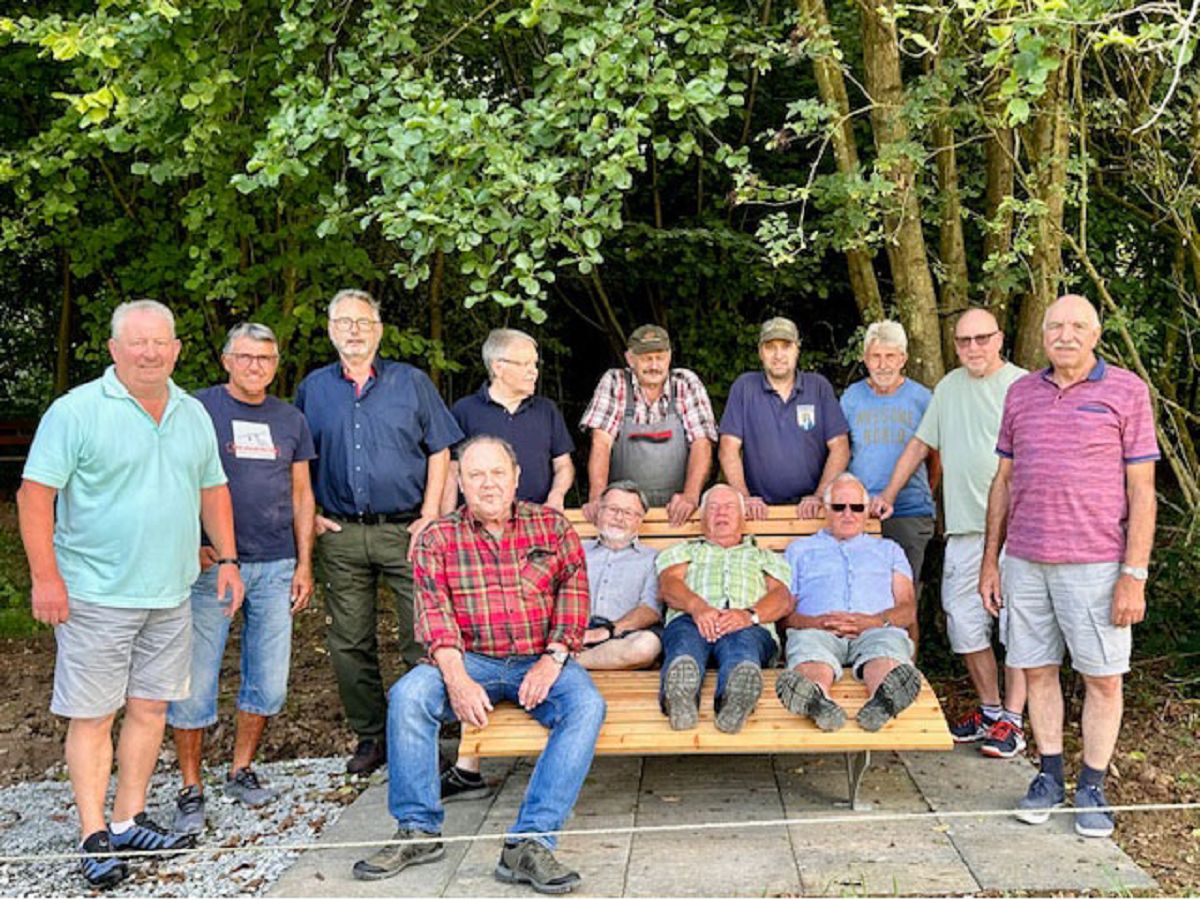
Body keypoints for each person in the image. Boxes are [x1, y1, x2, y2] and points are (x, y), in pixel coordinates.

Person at [17, 300, 244, 889]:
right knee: (94, 714)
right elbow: (35, 496)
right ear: (114, 349)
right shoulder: (77, 412)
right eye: (137, 343)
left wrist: (228, 558)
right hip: (95, 593)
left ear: (175, 349)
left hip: (171, 592)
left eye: (160, 342)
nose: (150, 353)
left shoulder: (192, 412)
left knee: (151, 708)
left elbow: (213, 491)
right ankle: (93, 835)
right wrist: (46, 577)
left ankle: (127, 820)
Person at [352, 436, 605, 894]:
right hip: (470, 658)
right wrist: (458, 679)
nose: (488, 484)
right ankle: (418, 830)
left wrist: (553, 659)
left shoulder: (551, 526)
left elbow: (574, 596)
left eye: (497, 474)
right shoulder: (438, 537)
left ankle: (530, 842)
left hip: (539, 655)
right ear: (460, 482)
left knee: (586, 705)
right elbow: (433, 618)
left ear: (516, 477)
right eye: (476, 475)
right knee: (409, 695)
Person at [980, 294, 1158, 838]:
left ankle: (1093, 786)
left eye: (1077, 326)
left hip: (1098, 564)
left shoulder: (1127, 392)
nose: (1065, 335)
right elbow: (1004, 482)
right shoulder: (1020, 394)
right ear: (1042, 335)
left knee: (1103, 679)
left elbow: (1143, 490)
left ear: (1096, 333)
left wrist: (1135, 573)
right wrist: (991, 560)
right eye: (1055, 326)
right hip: (1026, 561)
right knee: (1035, 670)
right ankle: (1049, 775)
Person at [295, 289, 463, 776]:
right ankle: (372, 735)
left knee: (422, 637)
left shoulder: (412, 383)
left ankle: (420, 736)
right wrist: (314, 514)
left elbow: (441, 449)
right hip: (341, 533)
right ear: (329, 330)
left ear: (379, 330)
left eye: (363, 322)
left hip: (405, 530)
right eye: (343, 321)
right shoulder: (313, 389)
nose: (353, 330)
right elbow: (299, 458)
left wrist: (431, 514)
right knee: (349, 641)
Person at [168, 323, 317, 834]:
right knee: (194, 682)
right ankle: (191, 787)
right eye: (247, 357)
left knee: (270, 680)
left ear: (276, 363)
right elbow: (175, 478)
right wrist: (192, 543)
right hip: (212, 566)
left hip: (276, 565)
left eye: (267, 358)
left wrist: (304, 561)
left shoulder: (290, 419)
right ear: (227, 360)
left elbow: (302, 494)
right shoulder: (197, 409)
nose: (257, 366)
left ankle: (241, 769)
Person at [442, 479, 662, 801]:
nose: (620, 517)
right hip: (560, 631)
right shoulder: (571, 547)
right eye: (613, 509)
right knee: (484, 653)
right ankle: (467, 770)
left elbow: (650, 609)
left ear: (640, 520)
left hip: (614, 639)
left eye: (630, 512)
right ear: (597, 513)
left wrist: (609, 630)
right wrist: (566, 635)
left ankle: (562, 661)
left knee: (647, 645)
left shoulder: (652, 559)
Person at [874, 308, 1029, 759]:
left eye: (982, 338)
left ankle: (1014, 722)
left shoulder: (1023, 386)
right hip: (965, 529)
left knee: (1020, 625)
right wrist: (889, 492)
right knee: (962, 620)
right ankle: (990, 710)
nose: (974, 348)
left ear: (1000, 338)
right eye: (964, 341)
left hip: (1019, 531)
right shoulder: (948, 388)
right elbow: (921, 444)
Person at [776, 473, 923, 732]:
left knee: (887, 646)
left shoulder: (889, 550)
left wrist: (875, 621)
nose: (848, 514)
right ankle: (817, 701)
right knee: (808, 647)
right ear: (826, 510)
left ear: (867, 512)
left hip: (876, 629)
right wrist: (815, 622)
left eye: (856, 507)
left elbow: (907, 608)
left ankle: (883, 700)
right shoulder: (799, 550)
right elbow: (785, 612)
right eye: (839, 507)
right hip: (818, 631)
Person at [656, 484, 794, 734]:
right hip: (691, 619)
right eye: (713, 507)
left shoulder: (765, 556)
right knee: (685, 646)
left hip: (748, 624)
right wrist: (697, 607)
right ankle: (679, 698)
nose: (721, 513)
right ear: (702, 517)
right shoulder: (683, 551)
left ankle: (734, 701)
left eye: (729, 507)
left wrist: (748, 615)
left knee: (742, 648)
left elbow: (782, 598)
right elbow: (668, 585)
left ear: (743, 517)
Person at [840, 320, 935, 644]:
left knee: (903, 600)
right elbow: (843, 451)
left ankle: (910, 673)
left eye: (890, 356)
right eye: (876, 356)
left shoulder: (922, 398)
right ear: (865, 358)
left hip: (908, 512)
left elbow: (936, 458)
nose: (883, 364)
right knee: (861, 594)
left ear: (903, 358)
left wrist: (924, 494)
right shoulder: (851, 398)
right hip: (857, 514)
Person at [580, 324, 717, 526]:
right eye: (646, 358)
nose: (654, 365)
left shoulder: (686, 383)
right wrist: (597, 498)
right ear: (630, 359)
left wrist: (690, 496)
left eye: (660, 357)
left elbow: (702, 444)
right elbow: (601, 444)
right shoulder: (615, 382)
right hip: (623, 512)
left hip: (677, 510)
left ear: (669, 357)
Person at [719, 317, 850, 520]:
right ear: (760, 352)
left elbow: (840, 447)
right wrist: (744, 498)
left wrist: (819, 495)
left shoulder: (818, 387)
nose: (778, 355)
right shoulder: (744, 387)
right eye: (771, 347)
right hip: (759, 511)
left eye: (786, 346)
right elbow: (728, 447)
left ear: (797, 349)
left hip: (812, 511)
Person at [443, 328, 574, 512]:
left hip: (536, 521)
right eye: (525, 364)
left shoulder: (547, 410)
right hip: (478, 526)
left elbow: (563, 465)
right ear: (498, 367)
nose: (534, 372)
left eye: (535, 364)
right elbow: (451, 473)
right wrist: (446, 522)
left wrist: (557, 496)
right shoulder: (464, 411)